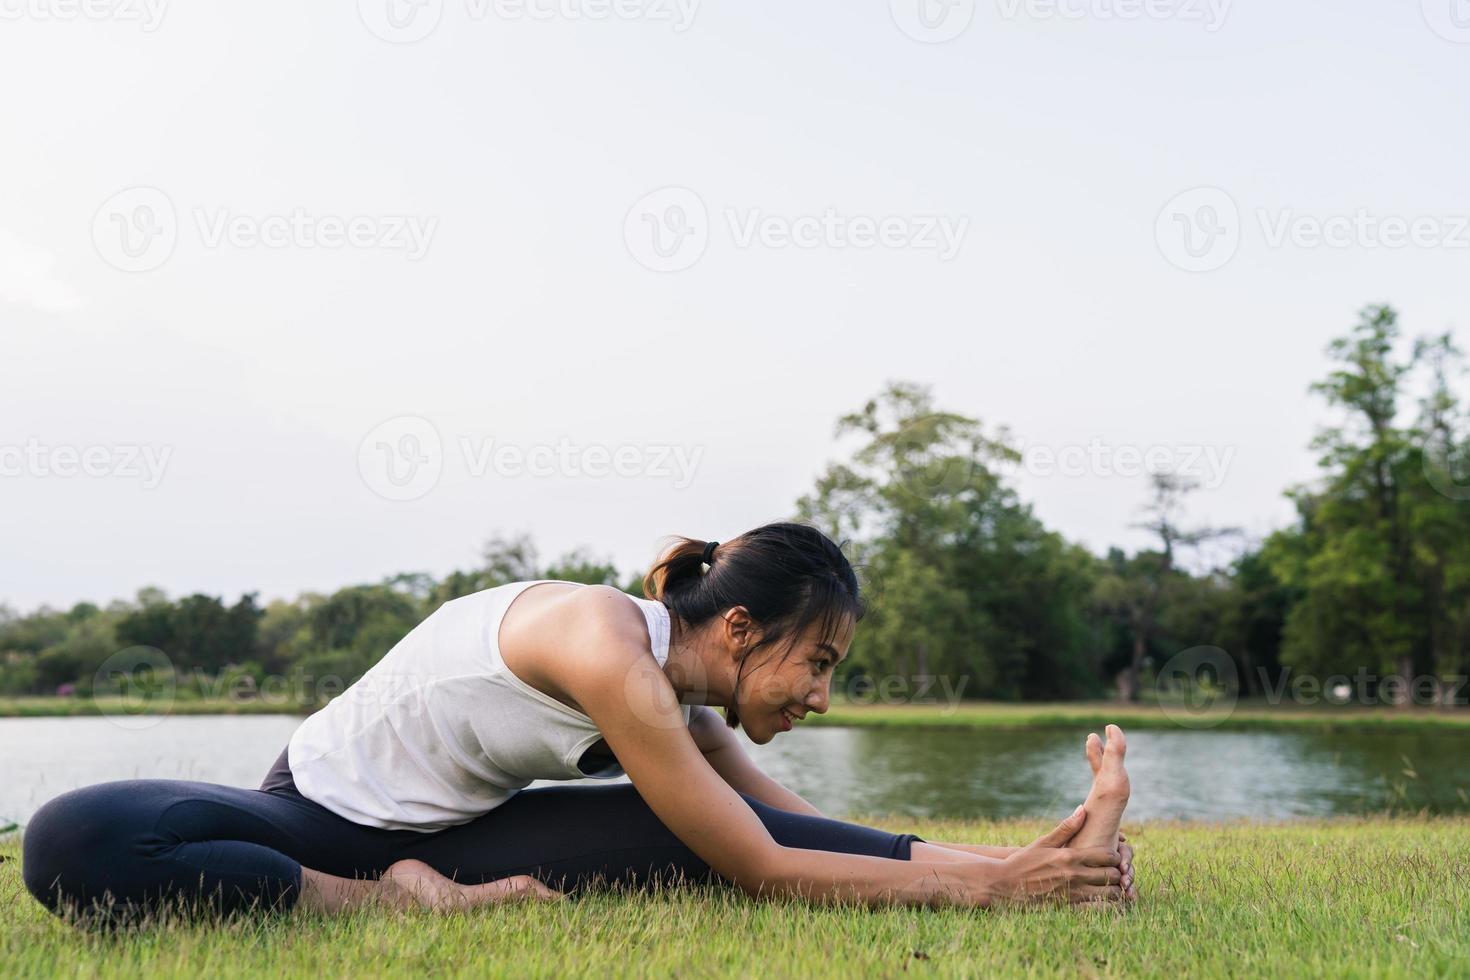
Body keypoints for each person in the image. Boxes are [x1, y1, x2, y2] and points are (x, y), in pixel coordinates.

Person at [22, 521, 1135, 924]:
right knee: (76, 837)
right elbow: (763, 868)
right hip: (312, 816)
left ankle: (418, 881)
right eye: (819, 661)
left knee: (677, 834)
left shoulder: (680, 696)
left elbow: (792, 830)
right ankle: (384, 904)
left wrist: (1028, 858)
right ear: (741, 628)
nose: (823, 695)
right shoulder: (612, 651)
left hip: (455, 830)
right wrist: (991, 887)